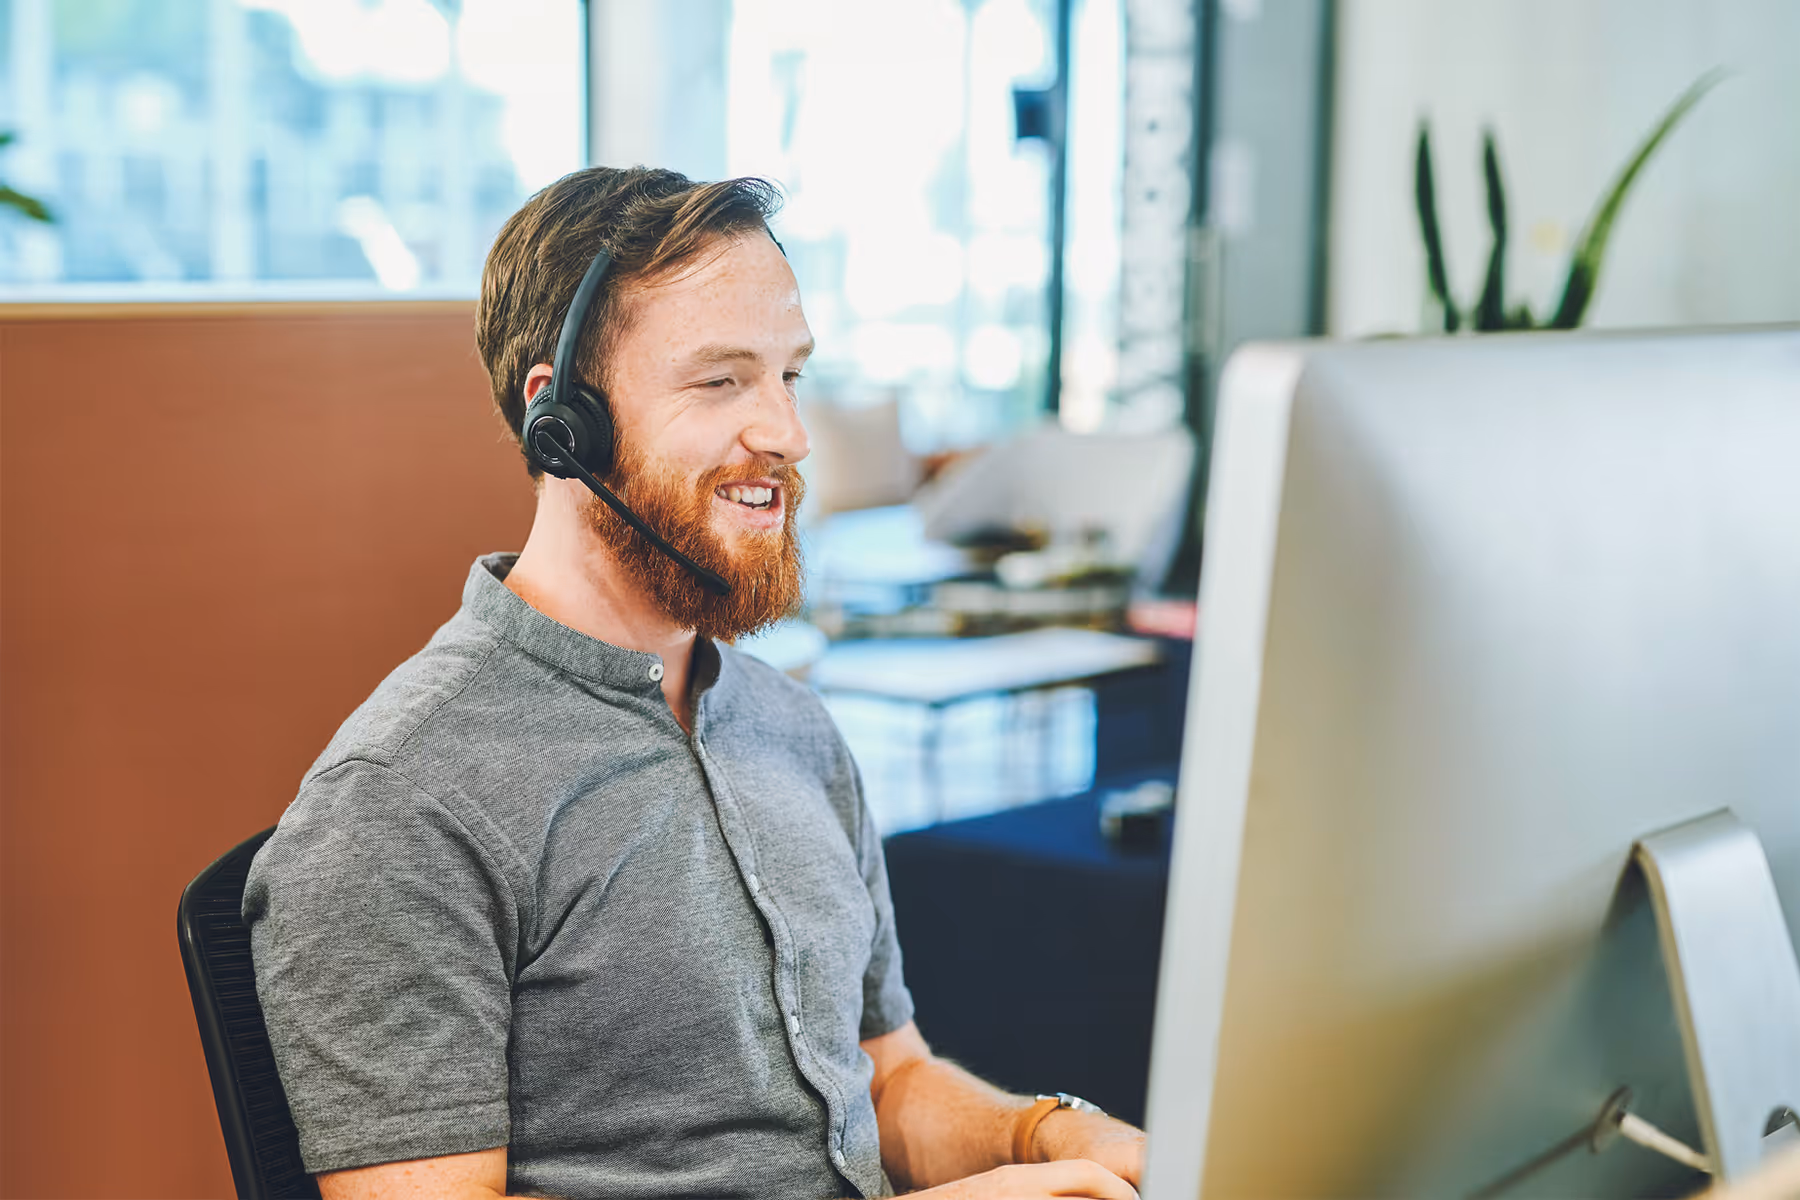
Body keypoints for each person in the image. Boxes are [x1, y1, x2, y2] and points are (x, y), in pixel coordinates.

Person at [244, 166, 1146, 1200]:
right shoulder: (402, 799)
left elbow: (887, 1085)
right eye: (721, 381)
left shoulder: (791, 727)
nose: (788, 437)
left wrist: (1053, 1142)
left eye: (790, 377)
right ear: (562, 422)